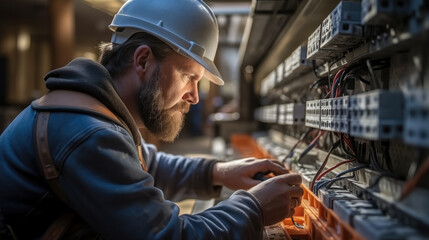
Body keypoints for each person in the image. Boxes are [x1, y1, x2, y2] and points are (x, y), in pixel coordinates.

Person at [0, 0, 303, 239]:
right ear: (143, 60)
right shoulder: (88, 134)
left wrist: (218, 172)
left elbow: (149, 164)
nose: (194, 96)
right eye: (188, 76)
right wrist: (254, 208)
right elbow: (165, 235)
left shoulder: (94, 112)